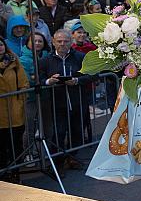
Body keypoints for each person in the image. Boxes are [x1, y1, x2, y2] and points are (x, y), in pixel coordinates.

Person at [38, 29, 93, 174]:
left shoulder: (80, 57)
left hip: (77, 100)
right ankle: (58, 162)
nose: (62, 44)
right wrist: (50, 80)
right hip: (57, 103)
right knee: (59, 132)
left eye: (66, 41)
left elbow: (92, 75)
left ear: (71, 42)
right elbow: (39, 80)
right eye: (59, 41)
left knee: (77, 130)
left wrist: (76, 80)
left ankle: (73, 158)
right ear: (53, 42)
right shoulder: (45, 61)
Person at [0, 37, 29, 183]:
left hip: (14, 111)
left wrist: (20, 102)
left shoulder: (14, 62)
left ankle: (15, 172)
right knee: (1, 146)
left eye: (1, 44)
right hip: (1, 114)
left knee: (15, 144)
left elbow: (24, 84)